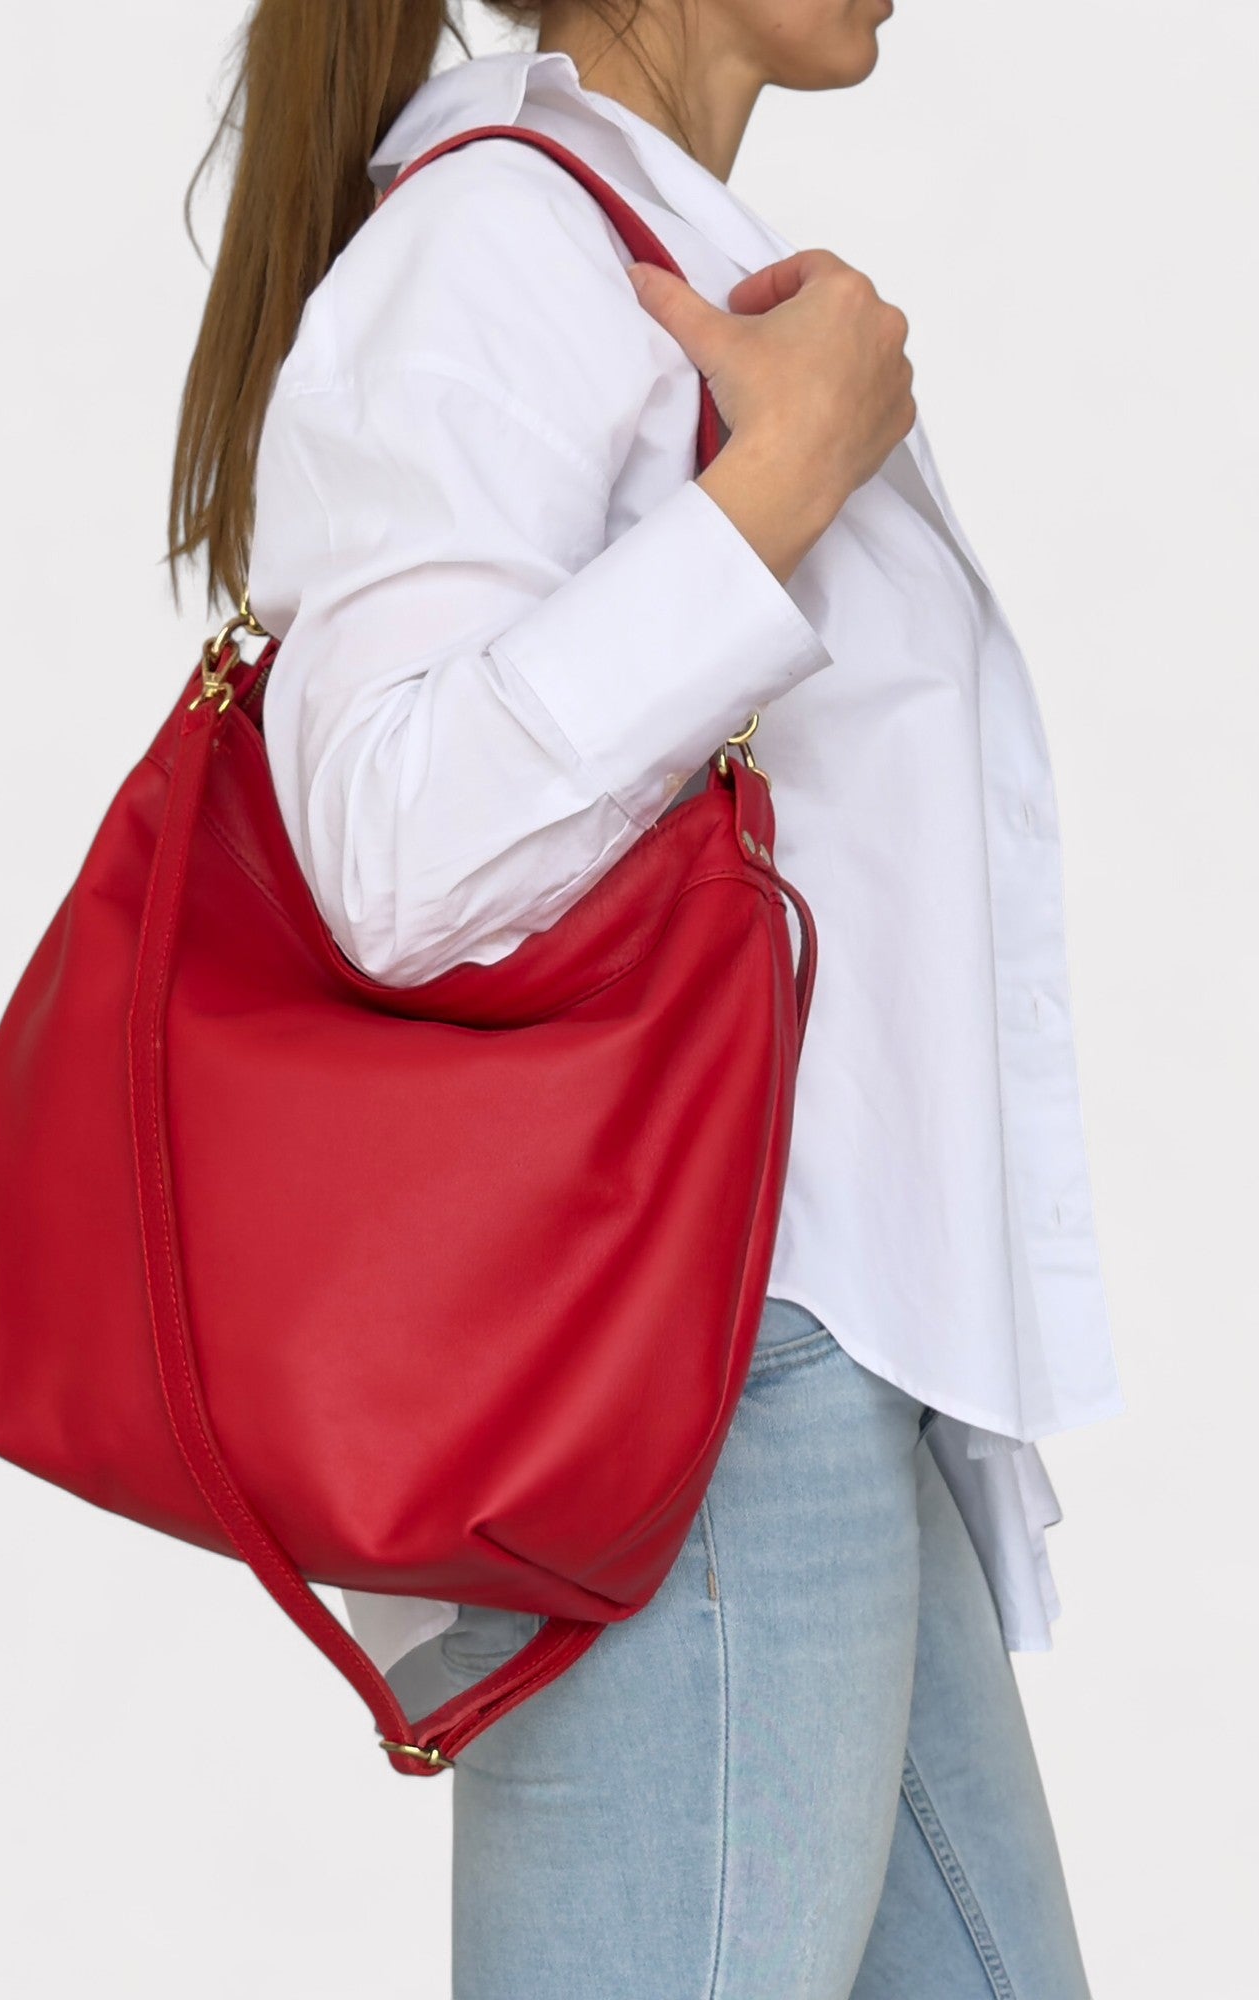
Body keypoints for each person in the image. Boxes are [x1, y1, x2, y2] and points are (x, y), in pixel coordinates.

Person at [167, 3, 1124, 1993]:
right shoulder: (492, 251)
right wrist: (771, 492)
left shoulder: (659, 255)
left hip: (812, 1367)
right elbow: (393, 858)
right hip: (689, 1392)